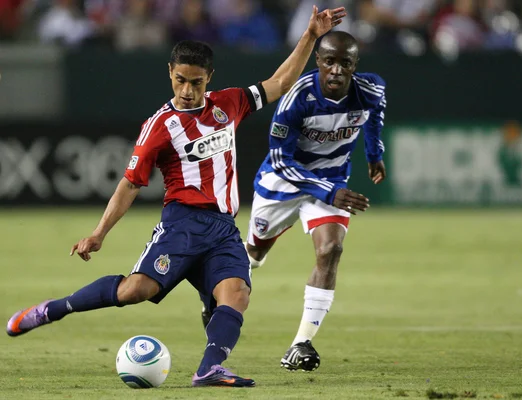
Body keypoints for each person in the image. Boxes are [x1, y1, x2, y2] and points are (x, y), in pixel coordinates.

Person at [6, 5, 346, 388]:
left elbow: (280, 82)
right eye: (181, 80)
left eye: (196, 82)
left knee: (237, 293)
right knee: (136, 290)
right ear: (170, 73)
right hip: (182, 223)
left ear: (209, 78)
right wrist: (99, 233)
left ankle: (209, 369)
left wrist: (311, 35)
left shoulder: (229, 104)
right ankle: (50, 310)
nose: (187, 90)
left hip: (223, 227)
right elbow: (130, 183)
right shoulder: (159, 127)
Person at [248, 30, 386, 371]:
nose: (337, 70)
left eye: (345, 63)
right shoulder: (296, 98)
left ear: (355, 65)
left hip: (332, 181)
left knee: (331, 250)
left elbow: (376, 113)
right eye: (330, 62)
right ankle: (217, 293)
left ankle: (300, 344)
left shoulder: (370, 89)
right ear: (318, 62)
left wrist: (374, 153)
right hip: (283, 183)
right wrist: (328, 191)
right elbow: (280, 160)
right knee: (253, 254)